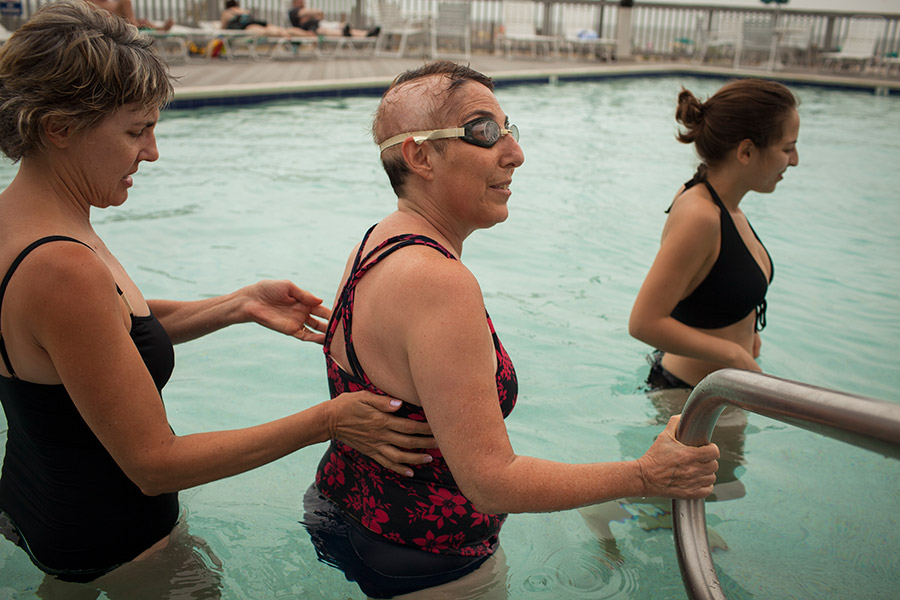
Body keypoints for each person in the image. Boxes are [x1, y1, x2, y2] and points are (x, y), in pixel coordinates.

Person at [0, 0, 434, 590]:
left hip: (38, 504)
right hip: (116, 541)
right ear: (58, 127)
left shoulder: (23, 226)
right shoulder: (61, 266)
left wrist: (236, 305)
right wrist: (330, 420)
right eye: (136, 130)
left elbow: (94, 336)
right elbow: (154, 465)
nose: (151, 152)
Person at [301, 61, 720, 599]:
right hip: (429, 561)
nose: (514, 153)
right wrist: (645, 476)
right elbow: (489, 480)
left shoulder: (377, 241)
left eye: (507, 129)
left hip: (341, 511)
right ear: (419, 155)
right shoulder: (439, 282)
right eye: (483, 132)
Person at [629, 78, 799, 390]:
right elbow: (643, 322)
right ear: (746, 151)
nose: (795, 160)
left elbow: (712, 289)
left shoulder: (727, 206)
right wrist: (734, 354)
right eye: (788, 148)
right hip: (688, 399)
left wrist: (748, 336)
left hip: (717, 391)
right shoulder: (700, 216)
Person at [220, 0, 313, 38]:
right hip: (255, 22)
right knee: (281, 29)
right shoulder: (244, 10)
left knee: (264, 32)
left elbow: (223, 28)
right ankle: (307, 34)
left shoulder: (227, 12)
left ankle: (282, 35)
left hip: (247, 26)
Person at [287, 0, 379, 38]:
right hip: (316, 29)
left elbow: (320, 16)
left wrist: (317, 13)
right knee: (326, 30)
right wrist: (316, 11)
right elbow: (308, 12)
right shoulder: (293, 11)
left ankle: (366, 33)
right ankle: (362, 33)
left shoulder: (306, 14)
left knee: (342, 26)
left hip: (321, 24)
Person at [88, 0, 174, 31]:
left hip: (123, 26)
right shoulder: (87, 3)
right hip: (113, 26)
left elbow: (132, 22)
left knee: (139, 22)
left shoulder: (117, 3)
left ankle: (158, 28)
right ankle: (158, 28)